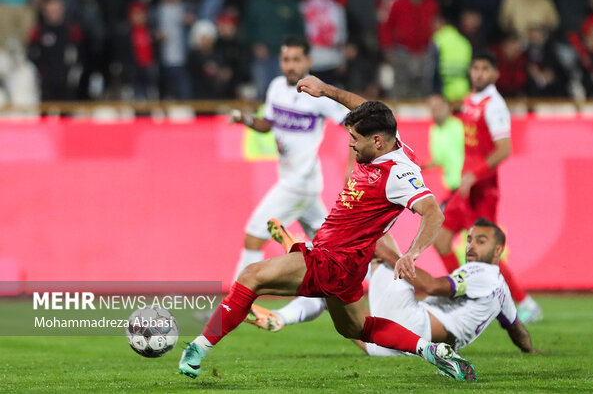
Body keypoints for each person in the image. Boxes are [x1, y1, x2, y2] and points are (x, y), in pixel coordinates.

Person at [179, 77, 478, 382]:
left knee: (250, 277)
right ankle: (431, 351)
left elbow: (432, 214)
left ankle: (198, 348)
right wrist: (326, 91)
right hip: (349, 263)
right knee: (355, 328)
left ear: (376, 142)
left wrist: (412, 253)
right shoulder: (388, 137)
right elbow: (364, 108)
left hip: (333, 260)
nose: (350, 144)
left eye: (355, 139)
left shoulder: (398, 175)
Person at [247, 218, 538, 358]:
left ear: (499, 249)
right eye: (470, 239)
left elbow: (432, 286)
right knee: (333, 287)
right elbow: (516, 330)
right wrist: (532, 352)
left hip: (410, 323)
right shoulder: (501, 291)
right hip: (399, 347)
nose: (471, 246)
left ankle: (305, 250)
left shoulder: (481, 273)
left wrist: (398, 259)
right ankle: (282, 316)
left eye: (481, 241)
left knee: (376, 238)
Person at [433, 52, 543, 324]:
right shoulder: (471, 101)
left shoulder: (495, 105)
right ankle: (460, 296)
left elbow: (504, 149)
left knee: (486, 253)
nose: (478, 73)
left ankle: (526, 302)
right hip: (466, 187)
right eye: (475, 68)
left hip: (483, 190)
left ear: (495, 74)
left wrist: (475, 175)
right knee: (441, 240)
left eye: (484, 69)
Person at [230, 37, 348, 281]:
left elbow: (354, 125)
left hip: (298, 183)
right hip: (302, 184)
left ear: (308, 61)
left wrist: (351, 166)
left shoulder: (319, 94)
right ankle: (343, 287)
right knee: (328, 246)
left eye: (296, 60)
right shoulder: (275, 87)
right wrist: (246, 119)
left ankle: (235, 302)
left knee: (253, 237)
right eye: (286, 60)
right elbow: (267, 125)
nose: (291, 65)